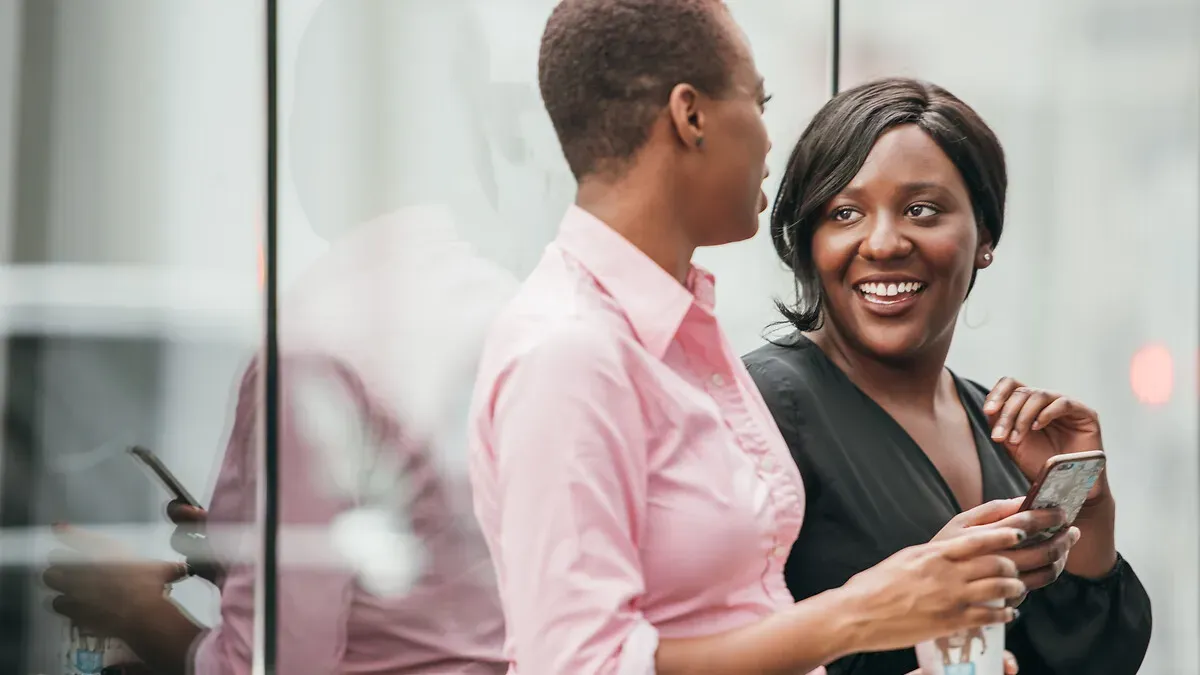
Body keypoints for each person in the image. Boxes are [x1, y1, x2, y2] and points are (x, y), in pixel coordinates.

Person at [468, 3, 1029, 675]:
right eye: (758, 104)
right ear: (691, 117)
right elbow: (579, 665)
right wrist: (861, 612)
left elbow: (731, 619)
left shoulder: (679, 338)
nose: (770, 142)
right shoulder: (568, 351)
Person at [42, 1, 515, 673]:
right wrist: (247, 556)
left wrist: (136, 611)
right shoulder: (512, 309)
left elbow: (273, 665)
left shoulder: (316, 341)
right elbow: (443, 573)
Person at [743, 77, 1153, 674]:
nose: (883, 243)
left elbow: (1087, 663)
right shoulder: (758, 410)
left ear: (985, 234)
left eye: (921, 210)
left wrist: (1087, 514)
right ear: (809, 241)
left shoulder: (996, 425)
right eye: (845, 213)